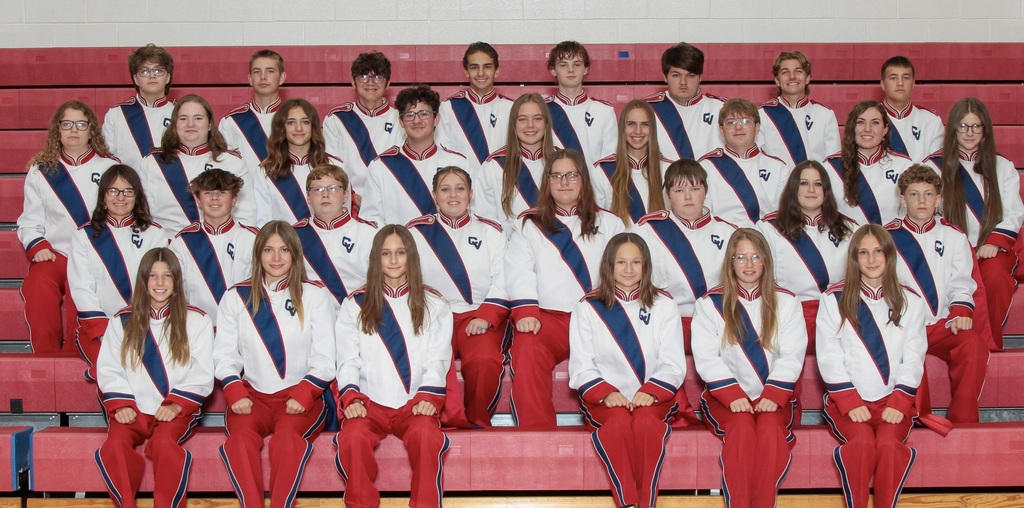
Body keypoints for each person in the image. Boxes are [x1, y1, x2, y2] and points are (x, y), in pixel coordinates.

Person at [215, 221, 337, 508]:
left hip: (298, 395)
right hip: (252, 396)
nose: (276, 257)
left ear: (295, 253)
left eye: (284, 249)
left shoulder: (315, 295)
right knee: (240, 441)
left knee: (286, 440)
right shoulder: (235, 297)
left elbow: (325, 357)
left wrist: (305, 393)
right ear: (258, 255)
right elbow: (224, 355)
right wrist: (234, 391)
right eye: (268, 250)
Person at [335, 225, 453, 508]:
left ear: (411, 256)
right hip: (370, 403)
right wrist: (351, 397)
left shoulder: (434, 303)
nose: (393, 260)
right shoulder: (355, 303)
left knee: (426, 436)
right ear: (376, 258)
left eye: (400, 252)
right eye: (386, 253)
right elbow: (348, 359)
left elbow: (438, 358)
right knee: (351, 437)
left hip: (414, 404)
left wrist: (427, 396)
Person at [505, 149, 626, 427]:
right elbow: (518, 270)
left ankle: (619, 424)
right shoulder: (529, 223)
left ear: (583, 180)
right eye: (556, 175)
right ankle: (537, 437)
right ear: (546, 182)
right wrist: (526, 313)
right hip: (550, 319)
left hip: (599, 317)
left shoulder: (610, 223)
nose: (564, 181)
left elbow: (625, 272)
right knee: (527, 346)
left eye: (572, 174)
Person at [691, 228, 808, 508]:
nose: (749, 264)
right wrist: (734, 396)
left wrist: (771, 395)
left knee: (769, 433)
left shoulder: (788, 302)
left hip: (774, 398)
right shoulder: (709, 304)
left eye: (756, 256)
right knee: (742, 431)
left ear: (766, 260)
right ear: (730, 262)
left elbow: (792, 355)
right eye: (741, 257)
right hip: (726, 400)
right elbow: (706, 358)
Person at [568, 233, 686, 508]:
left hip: (653, 398)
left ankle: (646, 502)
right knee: (619, 423)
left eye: (636, 262)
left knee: (646, 424)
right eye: (621, 262)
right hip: (605, 400)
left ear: (646, 266)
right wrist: (607, 393)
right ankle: (628, 502)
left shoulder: (665, 305)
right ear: (609, 265)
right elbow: (581, 365)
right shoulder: (588, 307)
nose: (629, 269)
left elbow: (673, 364)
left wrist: (650, 391)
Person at [816, 224, 927, 508]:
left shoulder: (911, 301)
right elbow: (829, 356)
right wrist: (849, 401)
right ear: (854, 258)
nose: (872, 259)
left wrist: (900, 401)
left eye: (878, 251)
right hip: (851, 401)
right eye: (863, 253)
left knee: (890, 446)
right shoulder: (834, 300)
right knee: (862, 445)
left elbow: (914, 356)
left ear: (889, 255)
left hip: (893, 401)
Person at [94, 248, 214, 508]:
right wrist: (123, 404)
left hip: (173, 410)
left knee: (164, 446)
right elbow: (108, 368)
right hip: (133, 409)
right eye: (153, 276)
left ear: (177, 281)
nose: (160, 283)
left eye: (167, 276)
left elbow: (202, 372)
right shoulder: (121, 321)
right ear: (143, 280)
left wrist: (176, 404)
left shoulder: (197, 320)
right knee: (114, 447)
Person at [886, 164, 988, 424]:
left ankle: (964, 419)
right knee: (904, 352)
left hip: (942, 324)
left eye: (928, 194)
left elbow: (961, 282)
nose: (922, 201)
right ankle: (920, 417)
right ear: (902, 198)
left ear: (938, 199)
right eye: (914, 194)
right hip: (902, 327)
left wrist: (961, 311)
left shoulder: (954, 236)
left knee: (972, 343)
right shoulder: (885, 237)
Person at [408, 166, 509, 428]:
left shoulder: (492, 232)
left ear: (471, 193)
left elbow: (505, 279)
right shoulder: (415, 233)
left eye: (460, 188)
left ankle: (477, 421)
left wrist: (487, 316)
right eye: (445, 189)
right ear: (434, 195)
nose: (453, 195)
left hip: (477, 315)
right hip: (431, 318)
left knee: (485, 360)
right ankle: (426, 421)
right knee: (420, 358)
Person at [18, 101, 119, 353]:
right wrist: (38, 245)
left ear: (91, 130)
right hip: (56, 253)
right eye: (67, 124)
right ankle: (46, 357)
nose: (74, 130)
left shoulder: (110, 167)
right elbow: (30, 220)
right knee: (37, 286)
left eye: (81, 124)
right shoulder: (41, 170)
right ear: (58, 130)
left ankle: (75, 359)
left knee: (84, 298)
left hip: (94, 255)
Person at [928, 97, 1023, 348]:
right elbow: (927, 211)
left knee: (994, 277)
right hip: (950, 248)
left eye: (976, 126)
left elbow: (1014, 212)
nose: (969, 133)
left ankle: (987, 343)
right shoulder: (933, 167)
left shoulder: (1002, 166)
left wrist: (993, 242)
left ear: (985, 130)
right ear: (953, 130)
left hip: (991, 248)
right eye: (962, 126)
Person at [70, 165, 168, 379]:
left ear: (137, 195)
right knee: (112, 376)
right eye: (113, 191)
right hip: (100, 329)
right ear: (103, 196)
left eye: (128, 191)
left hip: (146, 326)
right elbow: (81, 288)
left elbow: (161, 285)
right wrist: (104, 331)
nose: (120, 197)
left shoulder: (155, 233)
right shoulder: (85, 236)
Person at [636, 159, 736, 354]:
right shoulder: (648, 231)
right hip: (669, 323)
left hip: (719, 323)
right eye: (679, 191)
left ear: (705, 191)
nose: (688, 197)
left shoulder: (728, 232)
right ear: (668, 195)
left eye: (695, 189)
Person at [756, 160, 855, 343]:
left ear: (826, 190)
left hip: (837, 317)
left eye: (818, 184)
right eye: (804, 183)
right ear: (794, 188)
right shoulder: (768, 228)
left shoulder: (849, 229)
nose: (811, 190)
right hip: (785, 317)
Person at [141, 94, 256, 235]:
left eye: (198, 118)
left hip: (220, 248)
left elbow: (245, 215)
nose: (191, 124)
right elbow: (143, 216)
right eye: (183, 119)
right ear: (174, 125)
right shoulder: (152, 163)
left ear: (209, 125)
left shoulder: (232, 162)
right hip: (166, 249)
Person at [361, 85, 470, 226]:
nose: (417, 121)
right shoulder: (381, 167)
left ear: (436, 119)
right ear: (400, 121)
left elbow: (470, 217)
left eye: (424, 114)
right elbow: (372, 222)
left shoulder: (459, 163)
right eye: (409, 115)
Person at [169, 169, 258, 324]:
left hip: (243, 326)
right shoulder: (182, 242)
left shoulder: (253, 238)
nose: (215, 198)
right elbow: (175, 293)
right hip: (196, 328)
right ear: (197, 200)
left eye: (222, 192)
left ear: (234, 199)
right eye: (208, 193)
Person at [323, 51, 405, 207]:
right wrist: (350, 196)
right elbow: (331, 167)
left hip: (391, 201)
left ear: (388, 84)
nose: (370, 83)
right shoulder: (336, 119)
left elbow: (404, 167)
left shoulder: (400, 119)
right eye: (363, 77)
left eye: (378, 77)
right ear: (353, 82)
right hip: (348, 203)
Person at [293, 164, 377, 310]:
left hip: (359, 316)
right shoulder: (294, 235)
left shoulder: (369, 234)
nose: (325, 194)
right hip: (310, 318)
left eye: (332, 188)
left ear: (345, 194)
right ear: (308, 197)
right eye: (317, 189)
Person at [700, 98, 791, 227]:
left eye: (745, 121)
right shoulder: (706, 167)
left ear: (757, 127)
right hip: (724, 240)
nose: (738, 127)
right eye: (731, 122)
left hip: (766, 241)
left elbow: (784, 215)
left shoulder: (778, 167)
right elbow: (704, 215)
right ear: (721, 130)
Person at [475, 93, 559, 232]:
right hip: (508, 251)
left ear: (547, 123)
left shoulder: (562, 162)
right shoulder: (494, 166)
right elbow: (486, 224)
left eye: (537, 119)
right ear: (513, 124)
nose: (530, 125)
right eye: (522, 119)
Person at [823, 100, 914, 226]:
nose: (867, 129)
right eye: (860, 122)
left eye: (875, 123)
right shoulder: (830, 167)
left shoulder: (904, 166)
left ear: (885, 129)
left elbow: (909, 215)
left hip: (891, 243)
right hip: (846, 243)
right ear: (852, 127)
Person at [255, 98, 338, 226]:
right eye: (291, 122)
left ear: (313, 126)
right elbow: (263, 222)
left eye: (305, 122)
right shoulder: (266, 171)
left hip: (325, 244)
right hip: (283, 244)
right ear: (281, 127)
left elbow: (343, 217)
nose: (298, 128)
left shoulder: (334, 166)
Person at [590, 100, 671, 227]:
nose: (638, 131)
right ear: (622, 128)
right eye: (631, 124)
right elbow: (598, 224)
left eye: (645, 124)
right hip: (616, 245)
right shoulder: (602, 171)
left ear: (653, 129)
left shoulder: (668, 170)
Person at [757, 51, 841, 168]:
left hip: (814, 185)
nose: (792, 77)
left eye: (798, 71)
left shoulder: (825, 115)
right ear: (777, 80)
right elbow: (758, 161)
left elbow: (833, 163)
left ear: (807, 78)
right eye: (785, 72)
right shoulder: (762, 114)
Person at [437, 42, 514, 166]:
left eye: (487, 67)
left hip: (501, 183)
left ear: (497, 71)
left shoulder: (511, 108)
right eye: (474, 67)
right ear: (466, 72)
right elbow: (443, 153)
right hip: (462, 183)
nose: (481, 73)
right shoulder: (448, 108)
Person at [645, 42, 726, 161]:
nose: (683, 82)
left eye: (690, 76)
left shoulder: (720, 109)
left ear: (700, 77)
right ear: (665, 77)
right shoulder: (647, 109)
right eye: (676, 75)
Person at [102, 44, 175, 172]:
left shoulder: (179, 113)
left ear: (167, 77)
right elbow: (107, 161)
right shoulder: (117, 115)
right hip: (131, 189)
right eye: (145, 71)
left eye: (158, 70)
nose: (152, 76)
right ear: (136, 79)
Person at [544, 41, 617, 166]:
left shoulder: (604, 111)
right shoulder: (542, 110)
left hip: (594, 185)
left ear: (586, 69)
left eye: (577, 64)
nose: (571, 70)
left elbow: (610, 160)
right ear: (553, 70)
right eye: (563, 65)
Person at [219, 49, 288, 174]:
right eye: (257, 72)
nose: (263, 77)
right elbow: (224, 168)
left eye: (270, 71)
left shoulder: (295, 118)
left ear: (282, 78)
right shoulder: (231, 121)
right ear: (250, 79)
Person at [880, 56, 943, 163]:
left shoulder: (931, 121)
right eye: (893, 78)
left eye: (906, 78)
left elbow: (937, 167)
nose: (900, 83)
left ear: (913, 83)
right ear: (883, 84)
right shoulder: (869, 120)